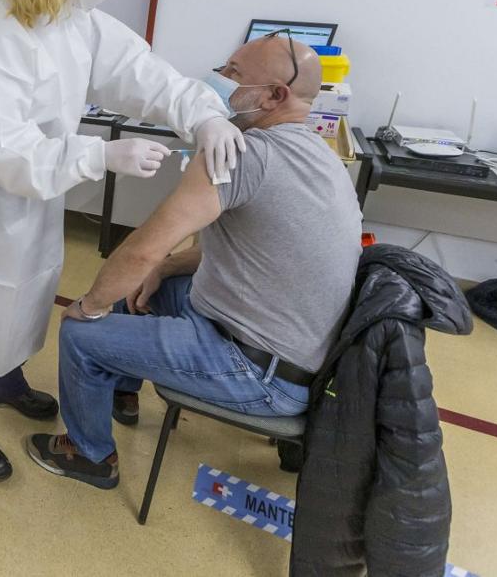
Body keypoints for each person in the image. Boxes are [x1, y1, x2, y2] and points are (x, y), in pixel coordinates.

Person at [0, 0, 245, 481]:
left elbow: (141, 72)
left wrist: (202, 111)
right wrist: (99, 156)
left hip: (37, 183)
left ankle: (4, 379)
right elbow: (9, 150)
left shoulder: (72, 16)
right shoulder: (2, 25)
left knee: (25, 288)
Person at [26, 32, 363, 491]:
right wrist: (163, 269)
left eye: (232, 74)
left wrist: (86, 307)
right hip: (298, 356)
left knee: (82, 331)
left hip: (261, 374)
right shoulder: (320, 157)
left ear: (273, 95)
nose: (217, 81)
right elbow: (255, 254)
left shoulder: (242, 154)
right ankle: (122, 393)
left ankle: (90, 456)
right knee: (149, 287)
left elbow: (144, 246)